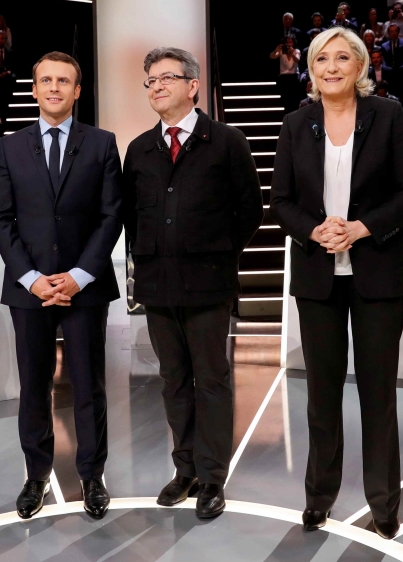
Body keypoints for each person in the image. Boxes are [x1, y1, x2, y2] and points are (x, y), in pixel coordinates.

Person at [269, 26, 403, 540]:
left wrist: (362, 228)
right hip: (318, 277)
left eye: (341, 58)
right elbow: (281, 201)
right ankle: (319, 496)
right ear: (310, 71)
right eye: (320, 59)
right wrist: (315, 230)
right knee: (321, 394)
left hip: (377, 272)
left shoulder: (389, 115)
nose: (330, 67)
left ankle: (383, 502)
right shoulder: (296, 124)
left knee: (378, 395)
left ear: (359, 66)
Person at [122, 47, 262, 520]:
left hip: (208, 285)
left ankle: (212, 476)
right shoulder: (140, 148)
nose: (157, 86)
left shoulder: (226, 141)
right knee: (173, 381)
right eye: (151, 80)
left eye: (167, 77)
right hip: (157, 285)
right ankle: (185, 470)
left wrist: (217, 254)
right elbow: (131, 217)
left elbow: (250, 211)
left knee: (212, 380)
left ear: (193, 85)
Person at [0, 50, 121, 522]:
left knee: (89, 386)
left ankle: (92, 476)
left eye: (63, 81)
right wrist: (31, 279)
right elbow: (0, 217)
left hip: (85, 287)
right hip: (30, 289)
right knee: (33, 386)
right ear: (34, 89)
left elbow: (111, 216)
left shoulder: (102, 143)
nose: (54, 88)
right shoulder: (9, 146)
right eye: (46, 80)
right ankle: (36, 475)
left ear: (77, 90)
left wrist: (79, 276)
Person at [271, 36, 301, 111]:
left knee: (294, 97)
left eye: (290, 42)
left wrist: (292, 53)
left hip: (293, 76)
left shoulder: (296, 51)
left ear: (293, 43)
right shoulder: (282, 51)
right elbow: (272, 57)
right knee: (285, 96)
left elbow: (297, 60)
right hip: (284, 77)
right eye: (287, 42)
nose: (288, 44)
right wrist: (276, 50)